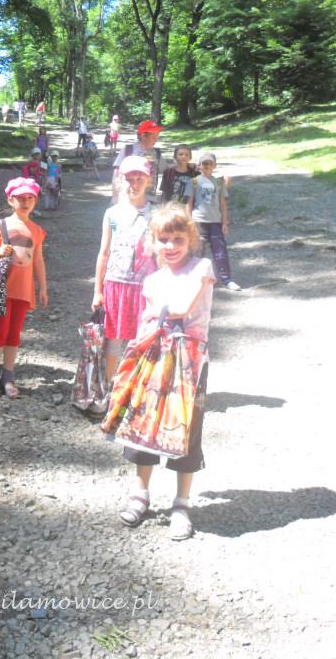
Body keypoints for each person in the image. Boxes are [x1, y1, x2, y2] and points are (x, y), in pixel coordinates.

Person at [114, 203, 215, 541]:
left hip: (189, 361)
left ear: (191, 239)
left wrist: (158, 313)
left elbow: (183, 308)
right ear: (153, 242)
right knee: (143, 421)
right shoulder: (152, 280)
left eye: (178, 239)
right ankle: (140, 493)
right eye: (163, 240)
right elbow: (146, 323)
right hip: (155, 358)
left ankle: (181, 503)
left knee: (187, 428)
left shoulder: (202, 267)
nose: (170, 246)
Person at [89, 155, 156, 415]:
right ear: (121, 180)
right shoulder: (112, 213)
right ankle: (106, 390)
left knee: (142, 342)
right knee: (113, 343)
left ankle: (136, 393)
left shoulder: (156, 214)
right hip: (115, 285)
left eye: (139, 178)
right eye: (129, 179)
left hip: (145, 288)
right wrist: (97, 290)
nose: (134, 184)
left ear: (149, 180)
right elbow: (103, 253)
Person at [0, 177, 48, 400]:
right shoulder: (1, 225)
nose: (25, 202)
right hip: (3, 289)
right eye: (20, 198)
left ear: (35, 201)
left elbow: (38, 260)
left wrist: (43, 288)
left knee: (15, 333)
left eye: (30, 198)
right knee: (0, 331)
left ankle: (8, 375)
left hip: (24, 289)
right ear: (10, 200)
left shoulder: (37, 230)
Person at [187, 152, 241, 291]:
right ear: (199, 165)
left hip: (216, 221)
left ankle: (226, 279)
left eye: (210, 163)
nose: (207, 166)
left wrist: (225, 222)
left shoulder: (218, 182)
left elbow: (223, 203)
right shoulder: (194, 181)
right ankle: (195, 279)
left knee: (220, 251)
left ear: (214, 166)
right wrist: (189, 222)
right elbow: (189, 203)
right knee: (198, 251)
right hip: (198, 220)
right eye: (204, 163)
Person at [112, 119, 161, 204]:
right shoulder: (128, 150)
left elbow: (166, 171)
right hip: (128, 199)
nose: (156, 139)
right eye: (153, 137)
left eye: (157, 136)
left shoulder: (157, 153)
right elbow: (116, 174)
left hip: (149, 200)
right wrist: (115, 197)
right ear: (143, 135)